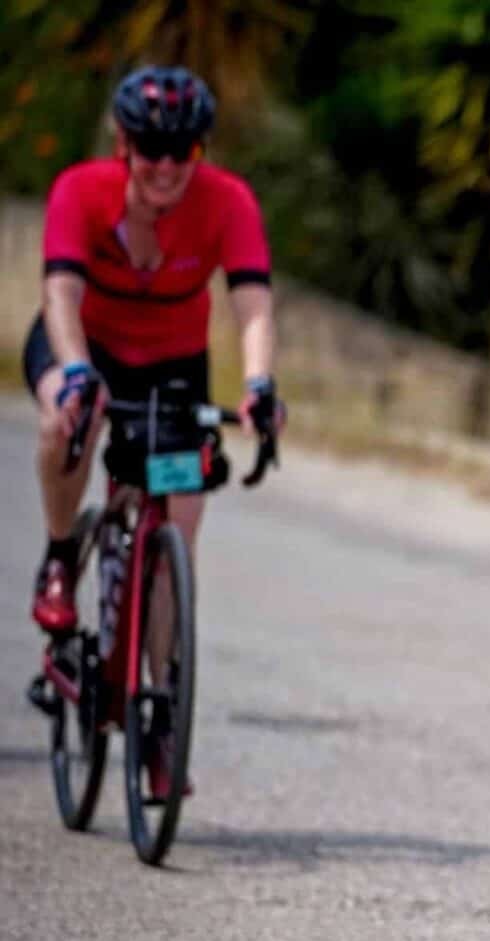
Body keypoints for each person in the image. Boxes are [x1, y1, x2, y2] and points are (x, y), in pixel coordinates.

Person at [24, 65, 282, 796]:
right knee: (69, 414)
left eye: (183, 152)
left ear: (200, 151)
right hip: (83, 344)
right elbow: (60, 294)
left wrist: (259, 386)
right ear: (123, 143)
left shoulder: (228, 202)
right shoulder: (81, 191)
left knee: (179, 527)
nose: (165, 166)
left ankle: (160, 718)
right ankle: (56, 552)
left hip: (173, 365)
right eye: (149, 149)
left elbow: (253, 306)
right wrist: (76, 371)